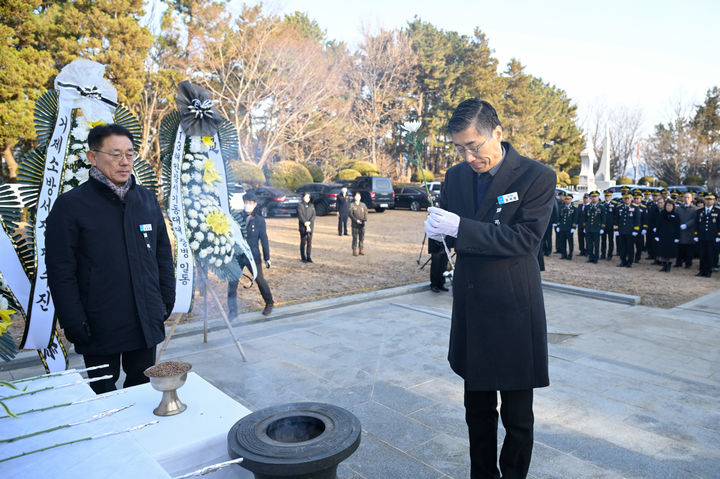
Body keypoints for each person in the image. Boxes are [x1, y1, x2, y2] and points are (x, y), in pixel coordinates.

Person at [424, 98, 555, 479]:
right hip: (472, 306)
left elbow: (525, 239)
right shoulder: (455, 177)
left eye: (474, 145)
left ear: (497, 133)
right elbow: (448, 238)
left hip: (514, 307)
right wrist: (436, 233)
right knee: (476, 413)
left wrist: (459, 228)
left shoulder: (536, 177)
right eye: (460, 148)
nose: (468, 156)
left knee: (518, 417)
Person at [46, 124, 175, 394]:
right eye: (115, 154)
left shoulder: (146, 200)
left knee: (142, 387)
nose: (124, 162)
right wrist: (72, 319)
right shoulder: (71, 205)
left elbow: (162, 253)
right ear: (92, 157)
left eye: (129, 154)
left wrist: (165, 298)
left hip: (144, 316)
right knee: (102, 389)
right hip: (98, 320)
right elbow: (61, 269)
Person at [227, 192, 274, 317]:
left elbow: (264, 239)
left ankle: (269, 302)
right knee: (232, 282)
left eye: (251, 203)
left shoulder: (259, 220)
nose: (248, 205)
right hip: (238, 255)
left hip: (253, 256)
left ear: (255, 204)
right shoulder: (236, 217)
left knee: (260, 280)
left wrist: (267, 257)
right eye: (246, 202)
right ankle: (233, 311)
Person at [694, 193, 720, 278]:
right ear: (704, 200)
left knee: (710, 254)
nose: (709, 201)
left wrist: (718, 236)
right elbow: (696, 224)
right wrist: (696, 234)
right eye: (707, 199)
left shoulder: (718, 211)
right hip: (702, 236)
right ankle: (702, 271)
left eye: (711, 199)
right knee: (702, 254)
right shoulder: (699, 211)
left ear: (714, 201)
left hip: (712, 237)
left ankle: (708, 271)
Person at [614, 192, 640, 268]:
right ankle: (623, 261)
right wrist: (616, 229)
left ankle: (630, 262)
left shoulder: (635, 207)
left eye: (628, 198)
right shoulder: (619, 207)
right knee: (622, 247)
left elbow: (637, 220)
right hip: (622, 231)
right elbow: (616, 219)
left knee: (630, 247)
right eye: (625, 198)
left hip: (630, 231)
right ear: (623, 199)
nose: (627, 200)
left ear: (631, 199)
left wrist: (636, 230)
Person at [654, 199, 680, 272]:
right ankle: (664, 265)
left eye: (670, 205)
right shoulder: (662, 214)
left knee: (670, 252)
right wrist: (656, 235)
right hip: (663, 235)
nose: (668, 207)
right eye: (667, 205)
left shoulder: (676, 215)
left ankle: (669, 266)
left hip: (672, 237)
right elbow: (658, 225)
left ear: (673, 207)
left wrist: (677, 237)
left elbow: (678, 227)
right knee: (663, 251)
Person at [676, 192, 698, 269]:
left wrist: (687, 225)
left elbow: (695, 219)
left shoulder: (695, 209)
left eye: (688, 197)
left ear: (692, 199)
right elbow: (676, 217)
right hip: (680, 230)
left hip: (690, 231)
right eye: (685, 197)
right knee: (680, 248)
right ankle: (678, 262)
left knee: (689, 249)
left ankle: (688, 263)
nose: (686, 199)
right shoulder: (678, 208)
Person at [583, 191, 605, 263]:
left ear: (598, 197)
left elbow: (603, 219)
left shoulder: (601, 207)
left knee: (596, 244)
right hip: (589, 228)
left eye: (595, 197)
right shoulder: (587, 207)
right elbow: (585, 218)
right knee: (589, 244)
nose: (594, 198)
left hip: (597, 228)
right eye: (592, 197)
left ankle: (596, 258)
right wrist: (585, 227)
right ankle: (590, 257)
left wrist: (602, 228)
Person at [556, 193, 577, 260]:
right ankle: (563, 254)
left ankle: (570, 254)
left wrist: (573, 227)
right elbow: (559, 217)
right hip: (562, 227)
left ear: (571, 200)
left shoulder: (574, 208)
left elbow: (575, 218)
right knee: (562, 242)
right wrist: (558, 226)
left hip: (569, 228)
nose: (567, 200)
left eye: (568, 199)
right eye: (566, 199)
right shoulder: (562, 207)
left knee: (570, 242)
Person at [297, 192, 316, 263]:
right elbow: (300, 215)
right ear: (303, 197)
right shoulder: (300, 205)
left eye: (308, 197)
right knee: (303, 242)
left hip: (310, 226)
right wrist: (305, 223)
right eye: (306, 197)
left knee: (309, 242)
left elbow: (314, 215)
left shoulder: (312, 205)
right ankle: (303, 257)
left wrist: (309, 222)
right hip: (303, 225)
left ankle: (309, 256)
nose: (307, 199)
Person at [632, 191, 648, 263]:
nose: (636, 200)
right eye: (635, 198)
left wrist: (644, 228)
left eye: (638, 198)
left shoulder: (643, 208)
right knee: (630, 244)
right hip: (631, 229)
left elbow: (645, 219)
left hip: (640, 229)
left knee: (639, 245)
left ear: (641, 199)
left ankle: (638, 257)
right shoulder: (630, 207)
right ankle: (630, 257)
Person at [349, 192, 368, 256]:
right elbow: (350, 214)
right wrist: (355, 220)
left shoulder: (363, 205)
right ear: (354, 197)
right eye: (356, 196)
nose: (357, 197)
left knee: (361, 237)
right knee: (355, 238)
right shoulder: (352, 205)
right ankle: (354, 250)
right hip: (355, 225)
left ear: (360, 197)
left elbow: (366, 212)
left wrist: (365, 219)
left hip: (362, 224)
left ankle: (361, 249)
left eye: (358, 196)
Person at [600, 190, 616, 260]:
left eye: (608, 196)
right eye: (606, 196)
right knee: (603, 241)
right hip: (603, 226)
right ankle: (603, 254)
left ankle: (610, 254)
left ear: (611, 196)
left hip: (610, 225)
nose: (607, 197)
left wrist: (615, 224)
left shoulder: (614, 204)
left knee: (610, 241)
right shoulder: (601, 204)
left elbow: (616, 215)